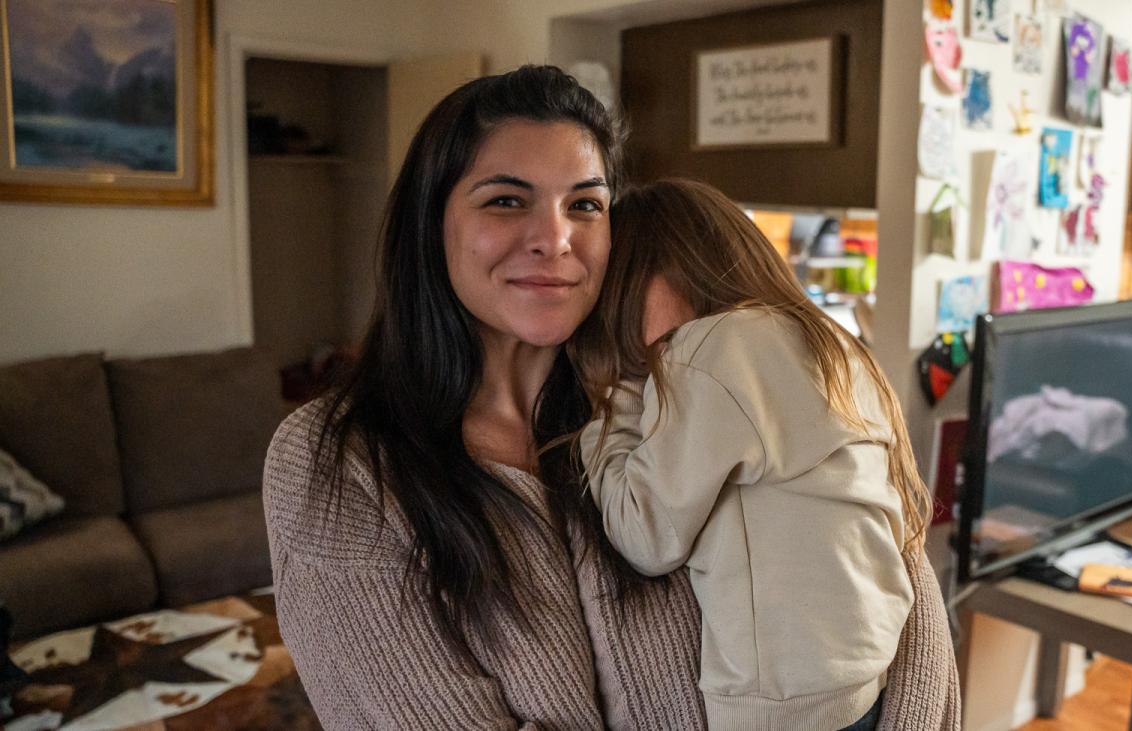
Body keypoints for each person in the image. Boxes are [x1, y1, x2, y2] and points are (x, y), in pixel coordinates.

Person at [262, 65, 960, 729]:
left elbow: (891, 569)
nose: (555, 238)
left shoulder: (664, 393)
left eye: (585, 204)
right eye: (507, 200)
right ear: (430, 225)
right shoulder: (339, 464)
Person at [572, 179, 934, 730]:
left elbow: (644, 536)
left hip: (781, 704)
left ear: (666, 270)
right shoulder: (830, 342)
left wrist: (612, 399)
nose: (611, 321)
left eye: (618, 292)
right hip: (868, 678)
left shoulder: (705, 351)